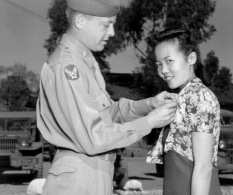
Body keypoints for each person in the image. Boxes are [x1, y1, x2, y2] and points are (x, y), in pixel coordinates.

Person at [36, 0, 178, 195]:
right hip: (79, 178)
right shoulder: (68, 67)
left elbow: (107, 114)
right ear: (80, 21)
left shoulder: (84, 61)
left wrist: (149, 105)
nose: (112, 32)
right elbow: (94, 137)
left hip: (92, 173)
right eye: (106, 24)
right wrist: (149, 122)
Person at [146, 28, 222, 195]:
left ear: (191, 58)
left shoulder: (200, 97)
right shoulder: (182, 97)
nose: (163, 70)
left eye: (169, 61)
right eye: (159, 64)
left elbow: (204, 167)